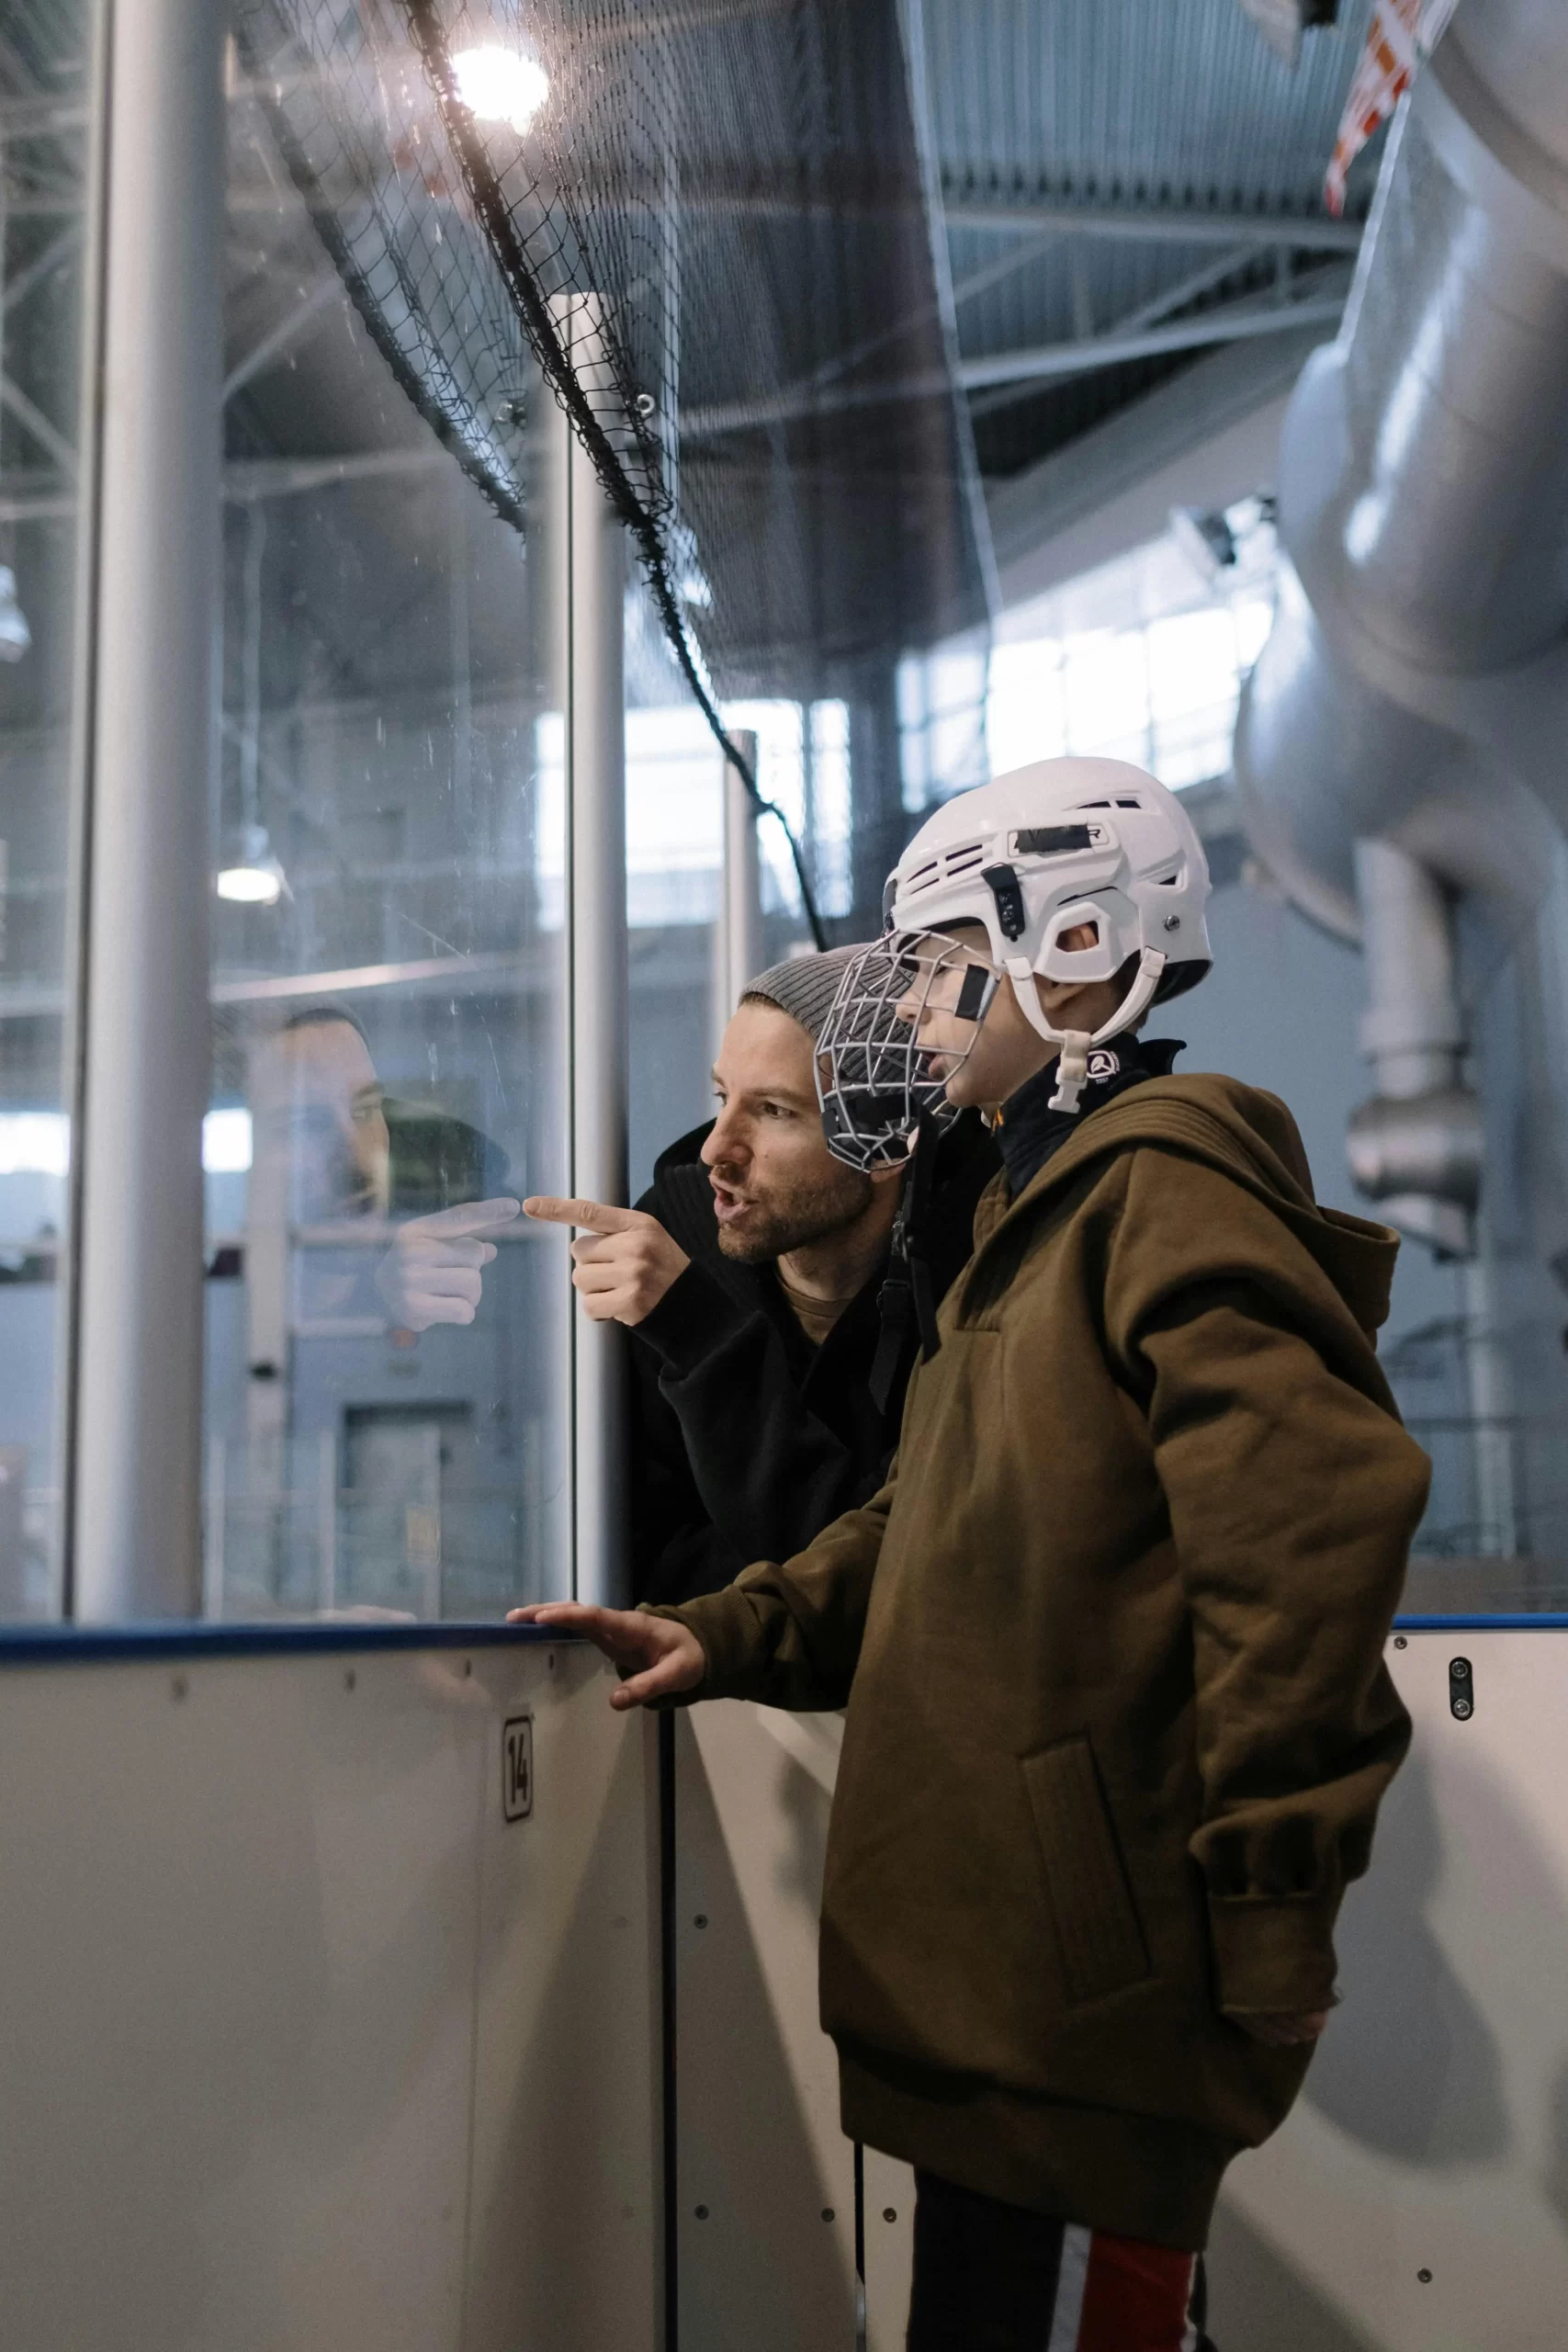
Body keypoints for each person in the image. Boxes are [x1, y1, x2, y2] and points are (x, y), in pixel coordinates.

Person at [511, 755, 1431, 2351]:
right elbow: (916, 1526)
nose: (914, 1010)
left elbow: (1305, 1541)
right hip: (992, 2013)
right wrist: (726, 1632)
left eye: (944, 967)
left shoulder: (1160, 1189)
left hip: (1078, 2024)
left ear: (1074, 950)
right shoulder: (1030, 1215)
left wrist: (1276, 1899)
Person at [524, 946, 999, 1603]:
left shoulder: (984, 1269)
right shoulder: (674, 1241)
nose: (716, 1148)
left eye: (774, 1111)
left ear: (887, 1142)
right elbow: (640, 1555)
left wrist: (701, 1336)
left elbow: (899, 1583)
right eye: (722, 1096)